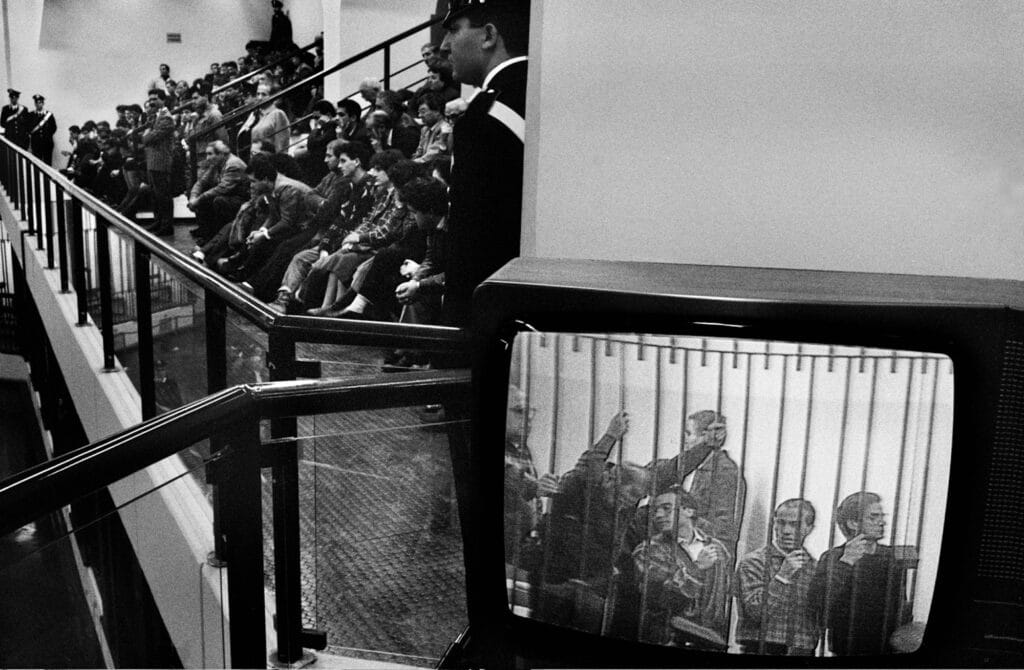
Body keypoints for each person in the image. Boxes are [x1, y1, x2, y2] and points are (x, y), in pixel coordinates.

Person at [439, 0, 530, 328]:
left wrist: (455, 331)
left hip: (491, 316)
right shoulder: (532, 95)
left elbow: (473, 245)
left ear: (489, 35)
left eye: (453, 29)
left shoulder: (486, 119)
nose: (444, 45)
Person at [808, 491, 913, 656]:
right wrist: (846, 562)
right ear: (853, 523)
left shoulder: (892, 557)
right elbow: (818, 603)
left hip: (888, 647)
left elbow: (901, 603)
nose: (882, 522)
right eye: (873, 517)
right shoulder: (834, 557)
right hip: (846, 647)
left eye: (882, 516)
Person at [631, 487, 732, 646]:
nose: (658, 515)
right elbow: (661, 599)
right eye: (655, 510)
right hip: (666, 638)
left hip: (711, 639)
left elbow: (724, 597)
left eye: (666, 508)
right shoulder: (647, 551)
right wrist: (697, 569)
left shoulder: (718, 548)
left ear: (689, 511)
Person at [735, 499, 819, 655]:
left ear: (809, 528)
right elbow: (755, 612)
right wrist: (782, 576)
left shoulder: (815, 568)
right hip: (761, 646)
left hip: (802, 648)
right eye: (781, 523)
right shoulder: (754, 561)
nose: (786, 530)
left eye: (794, 524)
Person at [684, 410, 745, 561]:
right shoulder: (702, 467)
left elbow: (722, 528)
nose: (685, 440)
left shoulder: (724, 472)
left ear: (707, 436)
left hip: (710, 555)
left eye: (689, 433)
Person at [188, 141, 249, 243]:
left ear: (221, 154)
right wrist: (193, 198)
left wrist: (198, 200)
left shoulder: (233, 164)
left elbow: (222, 188)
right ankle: (207, 234)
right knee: (205, 196)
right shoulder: (218, 163)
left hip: (241, 199)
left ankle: (219, 238)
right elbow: (201, 182)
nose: (207, 158)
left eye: (210, 154)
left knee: (217, 200)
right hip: (229, 196)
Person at [141, 90, 177, 236]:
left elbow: (149, 138)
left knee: (163, 195)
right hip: (153, 160)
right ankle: (159, 221)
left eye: (155, 99)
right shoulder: (156, 116)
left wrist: (146, 135)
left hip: (160, 160)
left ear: (163, 100)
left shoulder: (166, 118)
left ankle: (167, 225)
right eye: (150, 99)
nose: (151, 102)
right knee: (156, 195)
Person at [26, 94, 57, 165]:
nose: (38, 104)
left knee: (48, 163)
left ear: (43, 103)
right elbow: (28, 128)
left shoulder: (49, 115)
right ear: (35, 104)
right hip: (36, 144)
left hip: (47, 143)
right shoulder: (31, 115)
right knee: (37, 164)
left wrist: (47, 135)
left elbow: (54, 127)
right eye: (36, 103)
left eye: (40, 102)